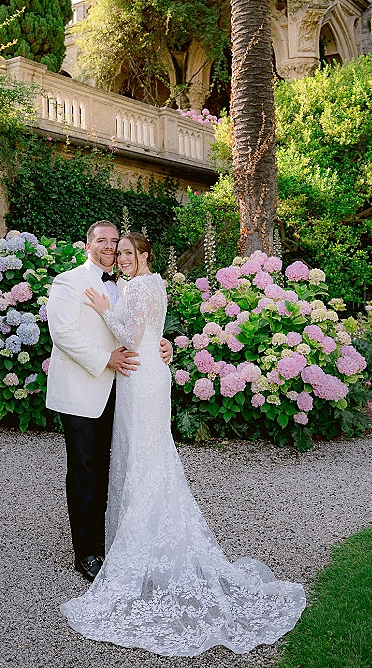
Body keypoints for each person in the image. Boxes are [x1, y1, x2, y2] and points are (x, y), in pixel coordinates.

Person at [60, 232, 306, 657]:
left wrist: (110, 313)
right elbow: (83, 333)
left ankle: (140, 548)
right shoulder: (102, 283)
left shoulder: (135, 285)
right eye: (112, 250)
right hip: (134, 378)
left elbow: (132, 334)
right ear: (91, 246)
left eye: (123, 251)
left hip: (138, 378)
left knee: (142, 460)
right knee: (135, 460)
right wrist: (158, 342)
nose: (117, 256)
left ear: (143, 256)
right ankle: (116, 546)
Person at [46, 220, 172, 584]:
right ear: (88, 245)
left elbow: (141, 327)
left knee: (113, 467)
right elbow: (64, 333)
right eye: (102, 241)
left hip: (123, 390)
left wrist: (163, 345)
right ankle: (87, 553)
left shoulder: (123, 284)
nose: (109, 247)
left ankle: (115, 539)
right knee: (85, 471)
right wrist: (107, 360)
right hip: (83, 390)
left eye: (115, 242)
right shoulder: (68, 282)